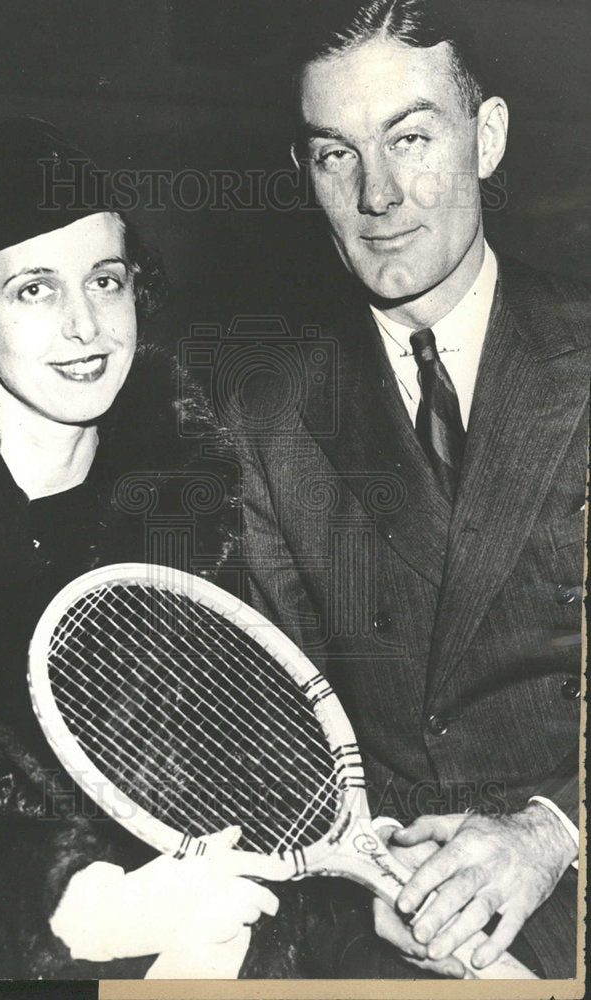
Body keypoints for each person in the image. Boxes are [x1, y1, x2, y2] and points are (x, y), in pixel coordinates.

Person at [234, 0, 588, 980]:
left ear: (486, 138)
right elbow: (285, 733)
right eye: (334, 155)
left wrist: (549, 831)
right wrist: (362, 886)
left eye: (409, 138)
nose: (378, 194)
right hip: (391, 927)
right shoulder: (272, 419)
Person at [0, 117, 281, 980]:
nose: (86, 326)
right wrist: (65, 902)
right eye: (36, 291)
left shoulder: (210, 514)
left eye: (107, 281)